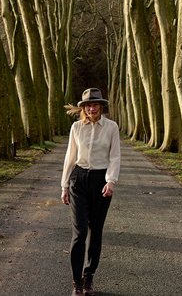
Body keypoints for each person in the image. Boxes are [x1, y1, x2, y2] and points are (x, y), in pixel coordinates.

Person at [61, 88, 121, 296]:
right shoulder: (76, 127)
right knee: (79, 233)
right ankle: (77, 281)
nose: (92, 109)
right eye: (88, 105)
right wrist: (64, 186)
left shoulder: (111, 127)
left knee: (95, 231)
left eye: (95, 105)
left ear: (101, 107)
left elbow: (115, 156)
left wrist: (111, 181)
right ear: (83, 108)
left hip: (100, 181)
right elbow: (70, 157)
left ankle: (89, 277)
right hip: (78, 180)